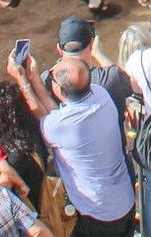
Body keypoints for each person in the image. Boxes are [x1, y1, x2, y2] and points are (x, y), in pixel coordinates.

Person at [9, 51, 134, 237]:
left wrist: (22, 80)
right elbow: (56, 115)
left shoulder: (60, 125)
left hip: (96, 214)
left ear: (59, 90)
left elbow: (44, 116)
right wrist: (34, 78)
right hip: (125, 200)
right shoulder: (101, 95)